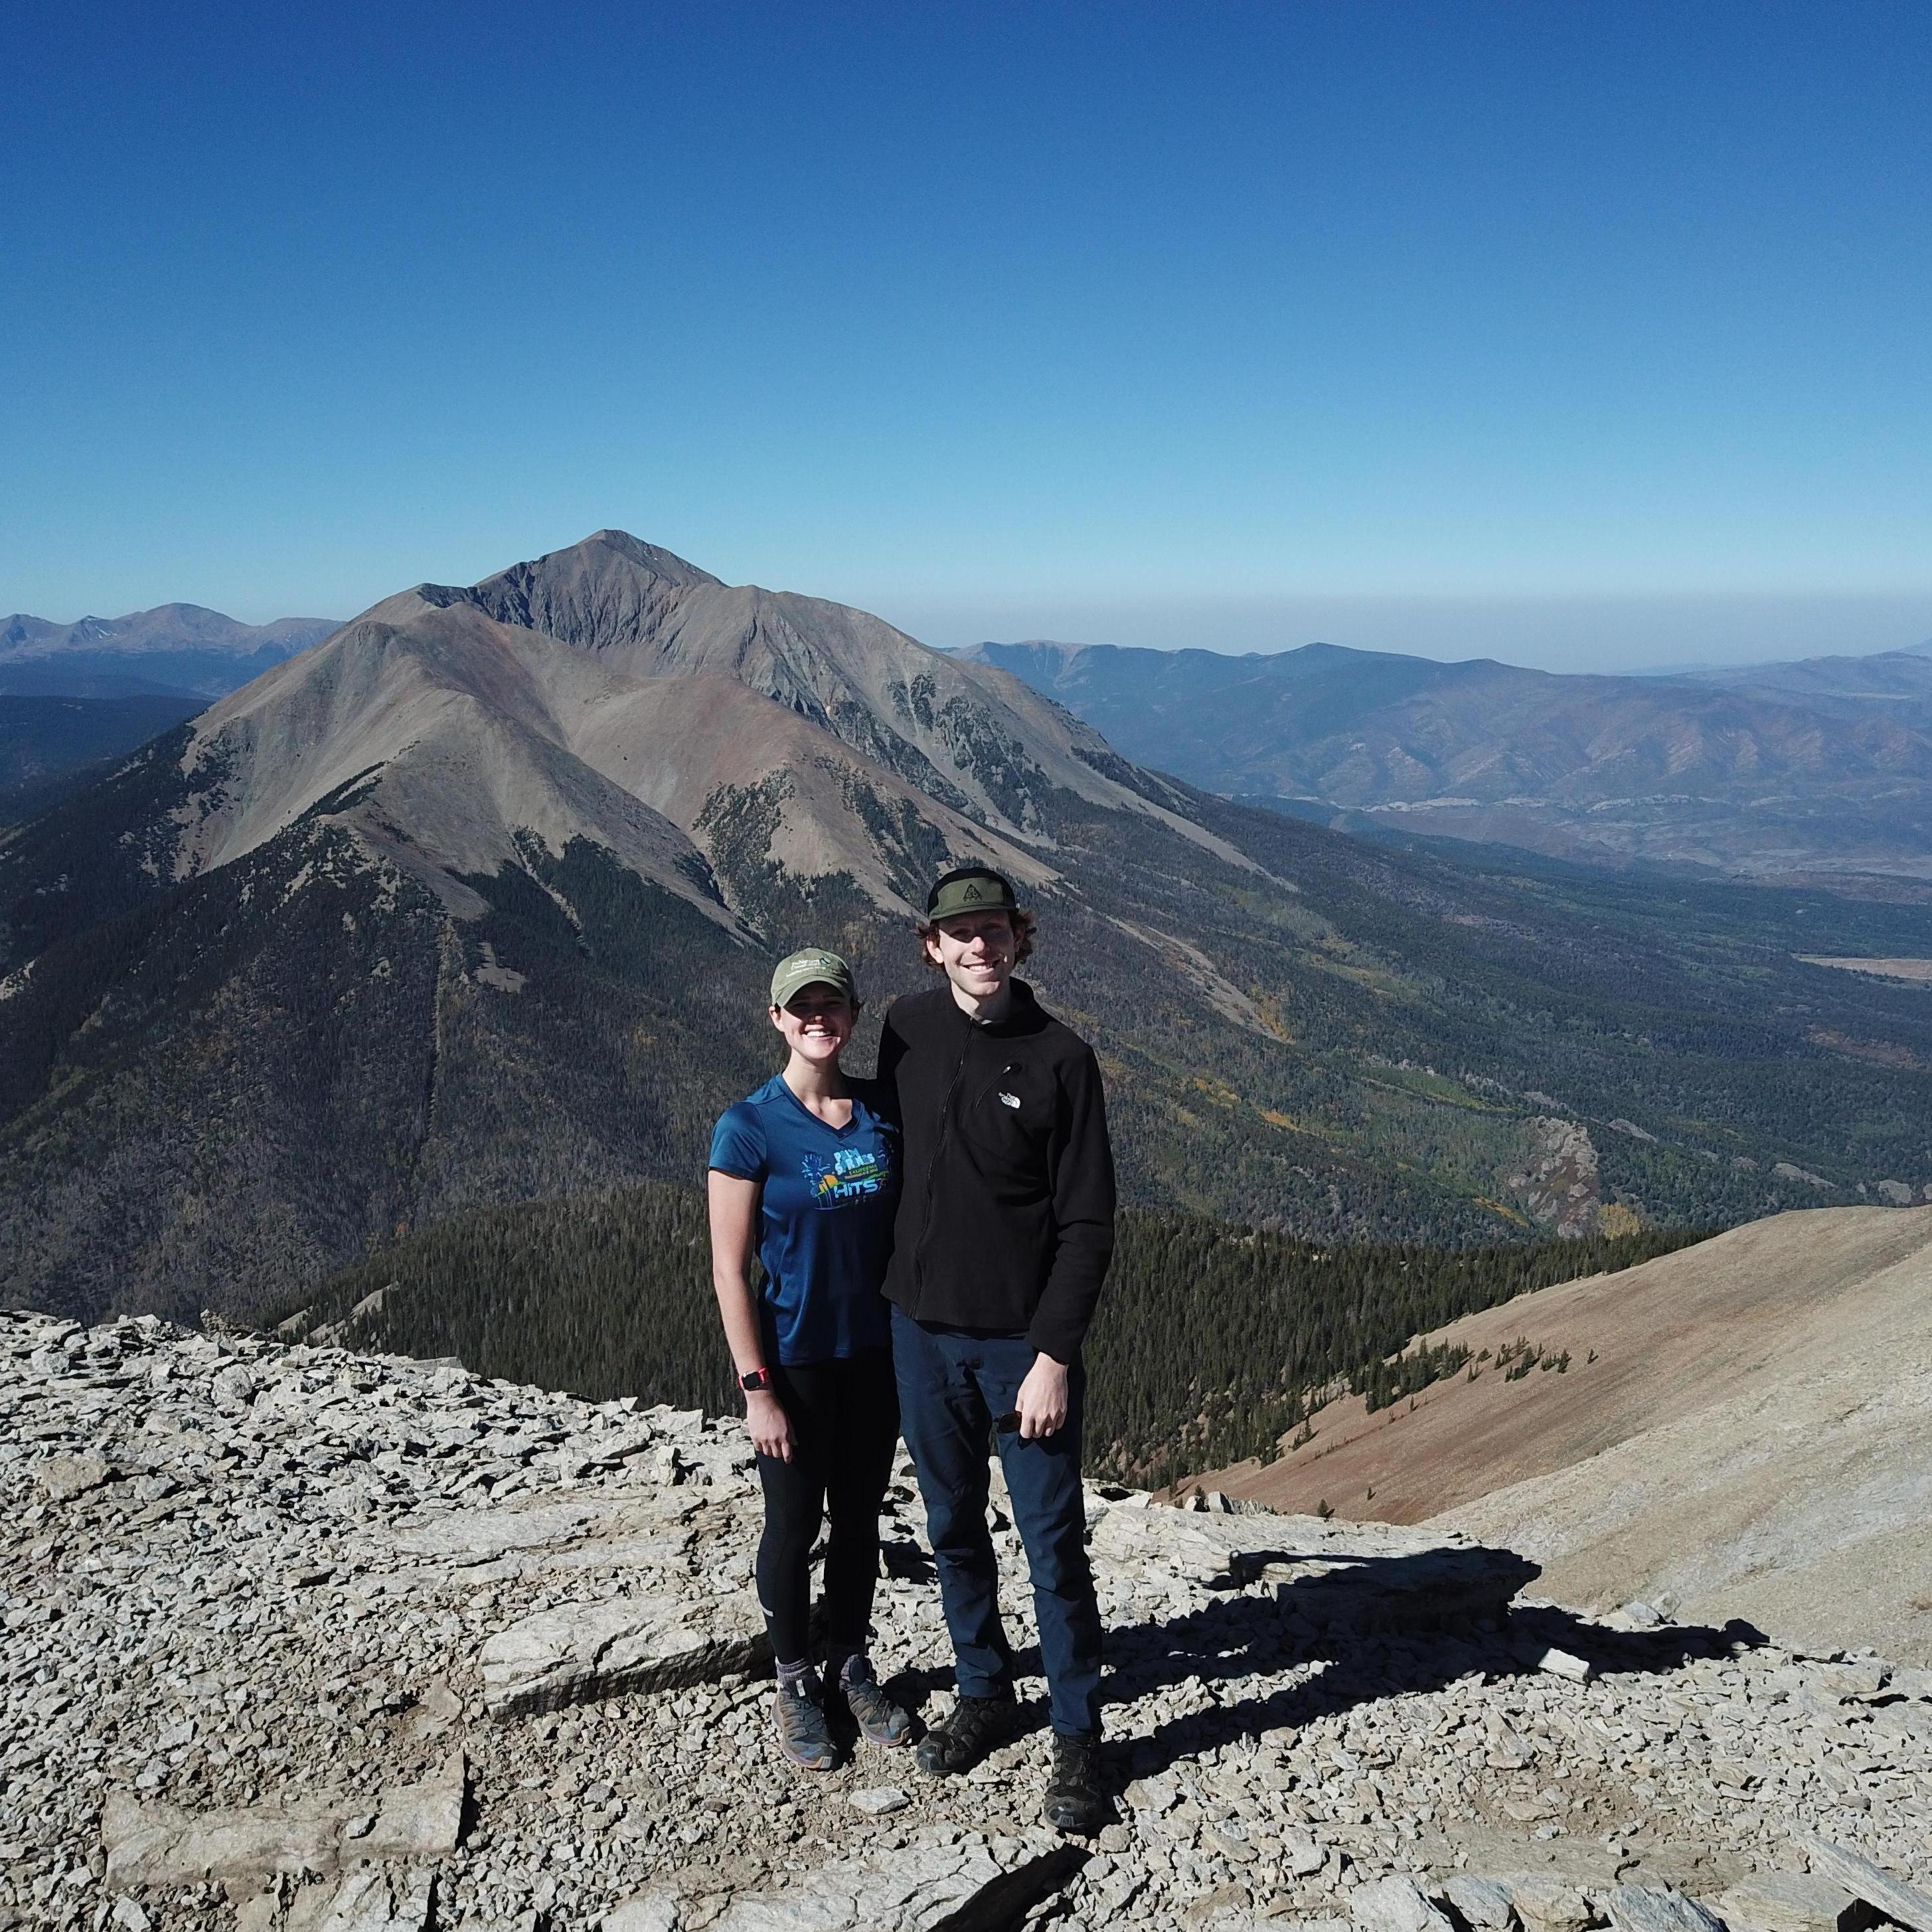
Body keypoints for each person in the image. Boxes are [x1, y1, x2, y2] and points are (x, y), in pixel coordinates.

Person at [877, 866, 1115, 1836]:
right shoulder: (903, 1027)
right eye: (958, 933)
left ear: (1022, 939)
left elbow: (1088, 1221)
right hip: (917, 1331)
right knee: (950, 1526)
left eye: (994, 930)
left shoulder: (1060, 1056)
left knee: (1053, 1544)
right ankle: (984, 1687)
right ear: (931, 946)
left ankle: (1077, 1734)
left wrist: (1053, 1354)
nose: (978, 947)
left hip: (1020, 1347)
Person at [708, 947, 915, 1771]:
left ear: (852, 1015)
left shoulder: (879, 1115)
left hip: (875, 1357)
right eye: (802, 1008)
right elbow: (729, 1269)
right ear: (778, 1020)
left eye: (831, 1005)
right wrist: (757, 1388)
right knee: (792, 1526)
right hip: (793, 1362)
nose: (817, 1019)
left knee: (860, 1520)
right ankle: (794, 1680)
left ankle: (851, 1663)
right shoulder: (749, 1124)